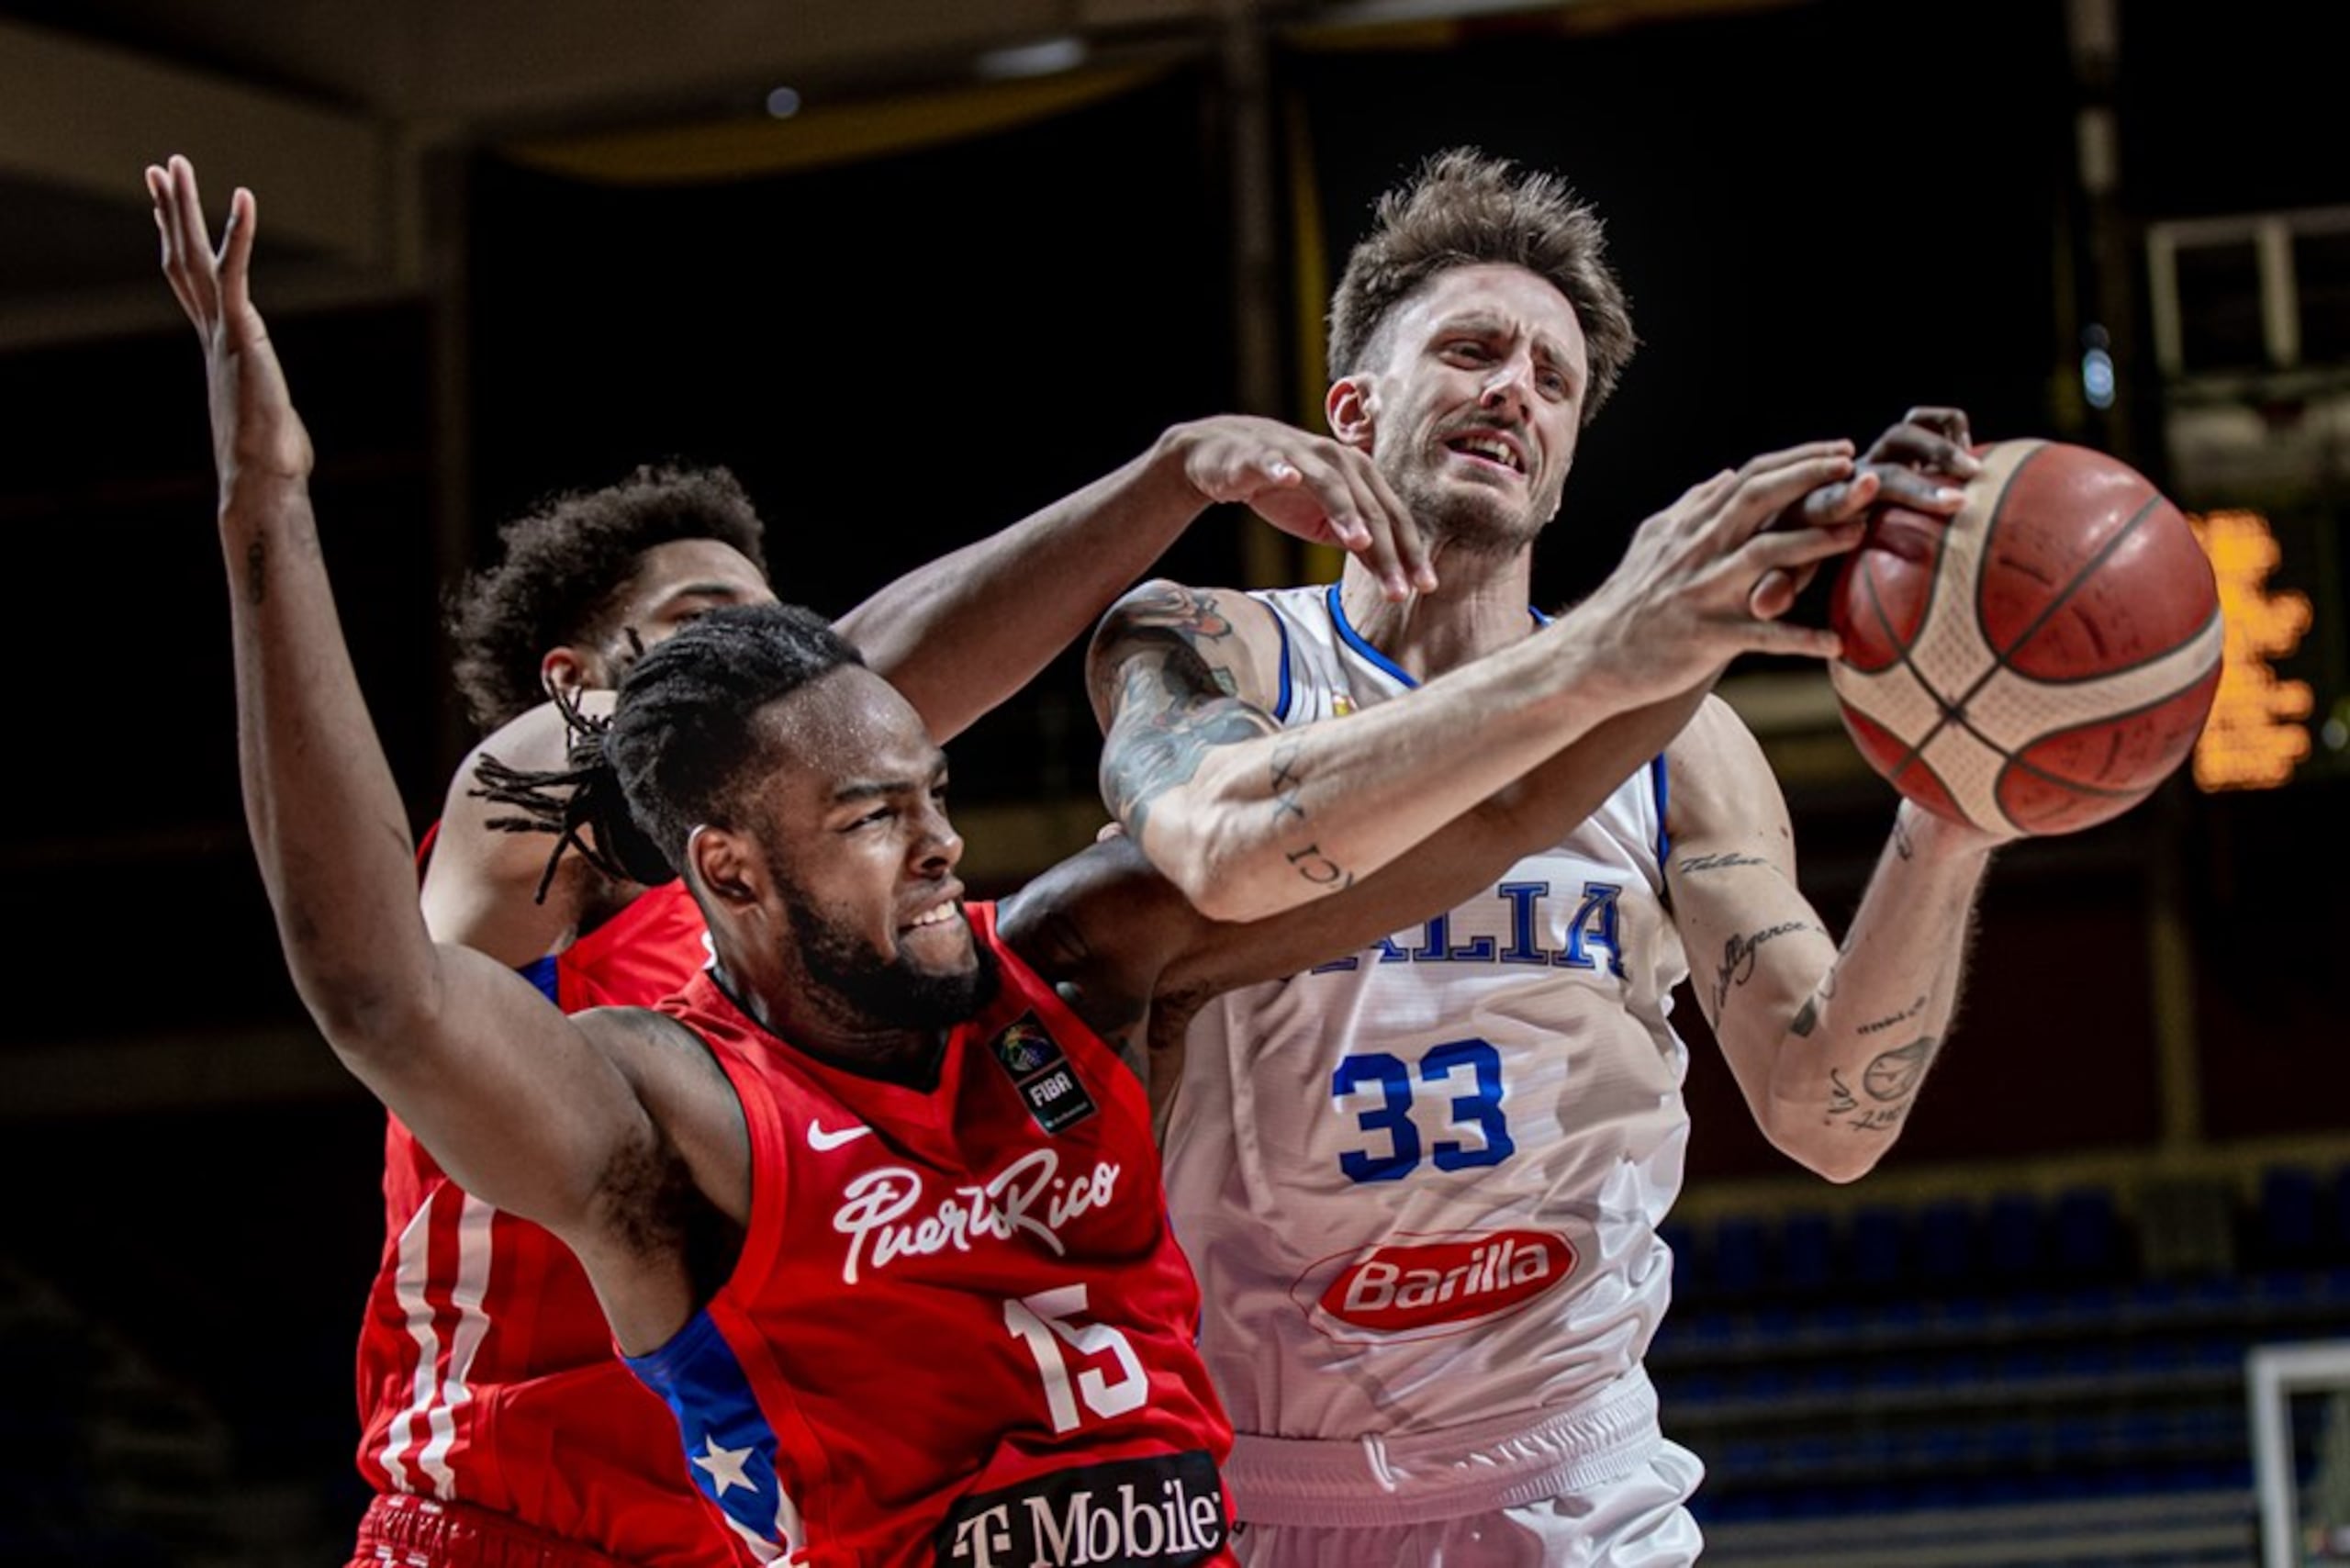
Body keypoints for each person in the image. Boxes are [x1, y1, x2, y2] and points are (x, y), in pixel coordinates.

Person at [156, 148, 1879, 1564]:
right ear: (711, 841)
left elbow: (1460, 832)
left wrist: (1684, 641)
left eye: (922, 791)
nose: (933, 838)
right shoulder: (604, 1029)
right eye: (715, 647)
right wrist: (269, 514)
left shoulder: (1028, 969)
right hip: (523, 1529)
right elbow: (375, 971)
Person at [1083, 146, 2007, 1563]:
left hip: (1573, 1481)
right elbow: (1220, 846)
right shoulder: (1214, 644)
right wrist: (1613, 647)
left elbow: (1834, 1117)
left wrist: (1954, 812)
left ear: (1567, 462)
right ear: (1353, 409)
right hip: (1261, 1481)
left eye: (1553, 378)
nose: (1515, 386)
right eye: (1470, 349)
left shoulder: (1678, 744)